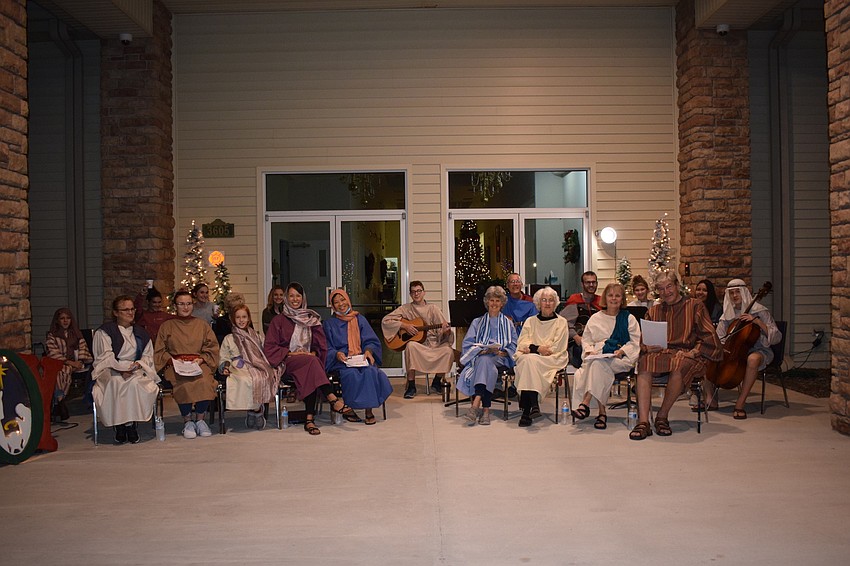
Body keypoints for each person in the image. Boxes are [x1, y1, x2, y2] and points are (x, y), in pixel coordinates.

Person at [630, 272, 722, 440]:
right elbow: (643, 341)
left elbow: (709, 336)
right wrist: (647, 347)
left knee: (679, 364)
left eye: (669, 286)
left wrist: (694, 351)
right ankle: (643, 422)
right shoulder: (654, 311)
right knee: (644, 362)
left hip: (689, 354)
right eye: (661, 289)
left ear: (677, 286)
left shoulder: (695, 306)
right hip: (662, 353)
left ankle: (662, 416)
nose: (666, 292)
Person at [264, 282, 360, 435]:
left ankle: (309, 419)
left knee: (312, 365)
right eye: (291, 296)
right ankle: (332, 399)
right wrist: (292, 354)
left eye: (298, 296)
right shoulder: (279, 321)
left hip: (309, 362)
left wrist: (313, 354)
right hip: (287, 363)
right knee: (312, 364)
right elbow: (269, 347)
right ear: (286, 298)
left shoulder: (311, 319)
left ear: (303, 298)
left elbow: (320, 346)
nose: (295, 299)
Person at [703, 279, 781, 419]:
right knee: (707, 355)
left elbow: (776, 337)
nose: (734, 296)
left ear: (744, 292)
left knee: (752, 359)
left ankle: (740, 403)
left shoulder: (759, 311)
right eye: (731, 293)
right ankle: (711, 398)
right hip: (734, 352)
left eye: (737, 292)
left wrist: (756, 321)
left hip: (759, 350)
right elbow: (719, 336)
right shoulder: (727, 314)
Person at [571, 282, 641, 430]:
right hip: (598, 356)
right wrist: (589, 351)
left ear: (622, 299)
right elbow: (587, 340)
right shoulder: (596, 318)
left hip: (620, 357)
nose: (613, 299)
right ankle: (602, 413)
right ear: (605, 298)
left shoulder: (628, 318)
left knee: (597, 365)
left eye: (617, 296)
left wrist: (622, 351)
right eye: (610, 295)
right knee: (597, 364)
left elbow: (635, 342)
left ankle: (585, 403)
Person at [91, 295, 160, 444]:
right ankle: (119, 424)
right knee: (116, 382)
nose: (130, 313)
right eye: (125, 310)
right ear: (116, 313)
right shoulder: (105, 332)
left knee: (135, 384)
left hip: (135, 368)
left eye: (132, 309)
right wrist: (120, 369)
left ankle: (131, 425)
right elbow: (105, 356)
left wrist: (138, 364)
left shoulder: (141, 332)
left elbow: (148, 356)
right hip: (111, 368)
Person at [155, 290, 220, 439]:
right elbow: (160, 350)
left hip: (198, 362)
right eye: (181, 304)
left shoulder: (202, 325)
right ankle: (187, 420)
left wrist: (202, 359)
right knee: (183, 382)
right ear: (175, 306)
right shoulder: (167, 326)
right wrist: (173, 360)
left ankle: (200, 419)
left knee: (205, 381)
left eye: (189, 304)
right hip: (175, 364)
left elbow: (212, 347)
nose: (185, 307)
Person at [323, 289, 393, 425]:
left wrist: (368, 351)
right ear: (332, 306)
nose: (341, 304)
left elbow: (371, 340)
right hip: (342, 360)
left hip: (360, 357)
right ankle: (349, 410)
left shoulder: (359, 319)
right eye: (336, 302)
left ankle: (369, 410)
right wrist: (336, 354)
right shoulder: (329, 324)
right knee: (351, 374)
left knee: (370, 372)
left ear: (348, 300)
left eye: (342, 300)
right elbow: (326, 346)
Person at [381, 280, 455, 398]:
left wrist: (446, 331)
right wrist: (404, 325)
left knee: (448, 351)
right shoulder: (405, 309)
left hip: (433, 344)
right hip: (418, 346)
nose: (416, 294)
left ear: (424, 292)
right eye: (413, 292)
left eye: (419, 291)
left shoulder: (433, 308)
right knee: (410, 345)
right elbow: (386, 320)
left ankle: (436, 382)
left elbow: (443, 331)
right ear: (410, 294)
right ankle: (411, 386)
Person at [456, 286, 517, 426]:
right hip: (482, 356)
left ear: (502, 303)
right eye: (491, 300)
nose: (494, 303)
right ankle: (485, 411)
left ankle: (475, 404)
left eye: (497, 300)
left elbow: (514, 344)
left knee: (485, 362)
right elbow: (467, 344)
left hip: (501, 357)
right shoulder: (477, 322)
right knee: (486, 363)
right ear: (487, 302)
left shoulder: (508, 323)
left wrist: (504, 351)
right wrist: (479, 350)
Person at [219, 304, 283, 430]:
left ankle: (256, 410)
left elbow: (266, 350)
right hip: (238, 366)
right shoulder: (229, 338)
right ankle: (254, 408)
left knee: (261, 378)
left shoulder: (256, 336)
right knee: (244, 380)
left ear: (248, 319)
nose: (241, 320)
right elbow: (224, 356)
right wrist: (225, 366)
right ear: (233, 319)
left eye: (244, 317)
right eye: (238, 317)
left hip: (256, 364)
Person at [513, 286, 569, 427]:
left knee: (528, 361)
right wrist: (538, 348)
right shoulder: (531, 321)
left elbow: (557, 346)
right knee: (527, 360)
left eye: (551, 300)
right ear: (538, 302)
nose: (548, 303)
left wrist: (534, 349)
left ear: (555, 303)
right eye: (544, 300)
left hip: (552, 359)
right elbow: (522, 342)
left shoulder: (561, 322)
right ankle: (532, 405)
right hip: (533, 357)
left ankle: (527, 410)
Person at [45, 307, 93, 421]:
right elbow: (52, 352)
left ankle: (58, 404)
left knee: (65, 371)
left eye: (68, 318)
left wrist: (79, 361)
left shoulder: (76, 333)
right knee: (62, 372)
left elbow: (83, 349)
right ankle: (60, 400)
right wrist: (69, 362)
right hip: (60, 363)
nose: (65, 321)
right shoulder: (53, 335)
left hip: (77, 363)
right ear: (57, 320)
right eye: (62, 318)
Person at [559, 270, 602, 368]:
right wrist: (576, 337)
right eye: (588, 282)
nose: (591, 285)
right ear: (582, 284)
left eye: (593, 282)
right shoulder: (574, 301)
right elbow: (563, 323)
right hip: (579, 342)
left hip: (597, 341)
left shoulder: (601, 302)